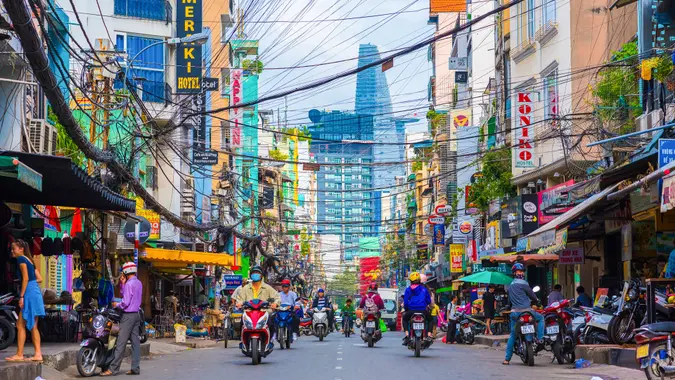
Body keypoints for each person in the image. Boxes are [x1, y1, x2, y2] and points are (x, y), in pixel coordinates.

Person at [5, 239, 45, 362]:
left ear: (21, 249)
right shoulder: (30, 260)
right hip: (35, 291)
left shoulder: (21, 259)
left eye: (14, 248)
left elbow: (26, 278)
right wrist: (27, 282)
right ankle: (37, 354)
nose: (12, 251)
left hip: (29, 293)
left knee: (21, 324)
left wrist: (21, 295)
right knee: (32, 325)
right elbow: (39, 278)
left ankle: (20, 354)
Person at [102, 262, 143, 376]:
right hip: (136, 315)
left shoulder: (130, 284)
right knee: (135, 343)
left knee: (120, 343)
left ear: (125, 272)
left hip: (128, 316)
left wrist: (116, 306)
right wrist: (123, 284)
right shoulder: (138, 283)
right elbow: (127, 294)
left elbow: (125, 302)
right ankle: (135, 368)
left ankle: (113, 369)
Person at [503, 263, 544, 366]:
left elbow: (509, 302)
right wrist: (537, 301)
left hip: (515, 314)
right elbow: (532, 296)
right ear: (514, 273)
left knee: (513, 335)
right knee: (541, 318)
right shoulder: (524, 283)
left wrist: (508, 307)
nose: (521, 273)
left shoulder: (510, 286)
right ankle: (540, 339)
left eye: (522, 271)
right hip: (528, 311)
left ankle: (507, 359)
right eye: (519, 271)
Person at [234, 266, 280, 350]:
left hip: (264, 312)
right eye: (253, 273)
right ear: (251, 275)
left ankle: (269, 341)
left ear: (261, 275)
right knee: (241, 323)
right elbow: (239, 299)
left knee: (271, 323)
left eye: (257, 273)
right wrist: (239, 304)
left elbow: (277, 297)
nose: (255, 274)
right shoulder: (245, 289)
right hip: (248, 312)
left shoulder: (267, 288)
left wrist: (275, 304)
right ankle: (243, 340)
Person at [402, 272, 433, 345]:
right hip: (422, 310)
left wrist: (407, 310)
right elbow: (429, 301)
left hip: (411, 311)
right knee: (430, 320)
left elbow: (405, 302)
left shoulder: (408, 290)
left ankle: (407, 335)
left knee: (405, 319)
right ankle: (429, 335)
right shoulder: (424, 289)